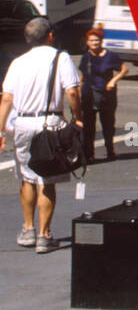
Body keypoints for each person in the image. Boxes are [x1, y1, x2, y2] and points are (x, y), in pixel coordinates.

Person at [0, 18, 83, 254]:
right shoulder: (61, 58)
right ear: (50, 36)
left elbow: (6, 98)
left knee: (26, 177)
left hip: (23, 123)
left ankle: (27, 229)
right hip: (49, 121)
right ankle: (44, 235)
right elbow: (72, 92)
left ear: (27, 39)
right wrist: (78, 118)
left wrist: (0, 129)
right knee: (46, 179)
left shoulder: (18, 62)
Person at [78, 28, 128, 162]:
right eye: (92, 40)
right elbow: (82, 76)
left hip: (107, 94)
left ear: (101, 41)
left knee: (108, 123)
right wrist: (79, 92)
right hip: (89, 94)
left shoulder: (110, 55)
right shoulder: (86, 57)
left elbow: (124, 69)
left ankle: (110, 149)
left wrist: (113, 80)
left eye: (97, 40)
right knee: (88, 126)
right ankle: (89, 154)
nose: (95, 43)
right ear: (87, 42)